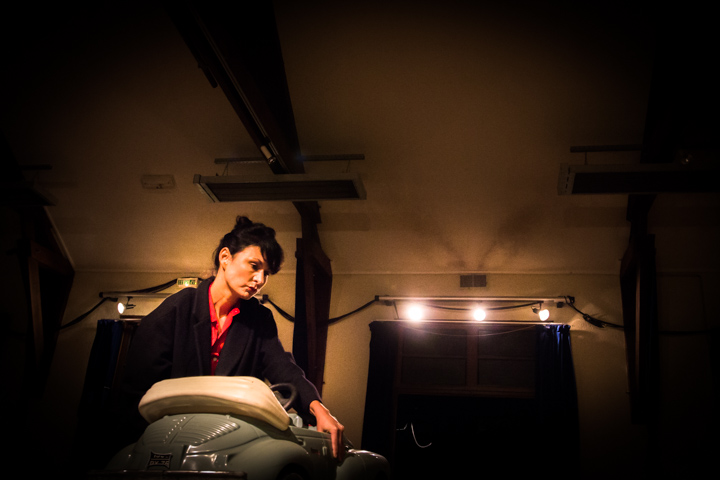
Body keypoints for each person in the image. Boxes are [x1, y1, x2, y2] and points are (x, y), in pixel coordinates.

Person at [118, 216, 345, 458]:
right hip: (166, 443)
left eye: (266, 273)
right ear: (225, 257)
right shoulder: (177, 309)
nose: (260, 280)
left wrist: (318, 408)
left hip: (226, 445)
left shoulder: (259, 319)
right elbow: (136, 391)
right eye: (254, 266)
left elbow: (283, 367)